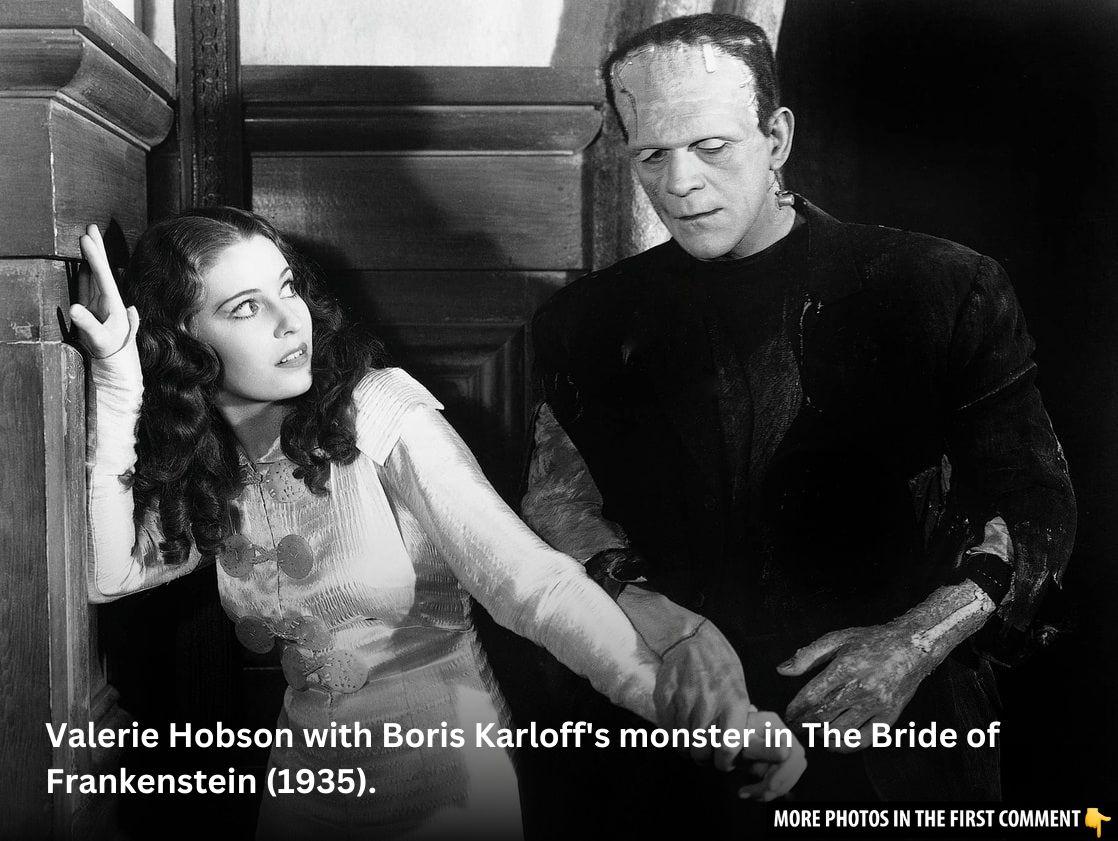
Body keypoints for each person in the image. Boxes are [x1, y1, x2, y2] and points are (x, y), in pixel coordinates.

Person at [71, 207, 804, 840]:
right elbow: (110, 573)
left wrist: (691, 710)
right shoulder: (214, 468)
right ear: (184, 342)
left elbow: (531, 584)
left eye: (287, 287)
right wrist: (116, 385)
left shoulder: (377, 411)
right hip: (303, 784)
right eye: (244, 307)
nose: (291, 319)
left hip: (448, 777)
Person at [523, 12, 1075, 810]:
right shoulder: (584, 323)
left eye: (712, 147)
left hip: (899, 743)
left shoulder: (940, 286)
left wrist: (914, 642)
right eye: (652, 155)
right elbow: (555, 503)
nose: (680, 183)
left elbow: (1036, 507)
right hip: (678, 734)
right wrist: (661, 621)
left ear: (776, 137)